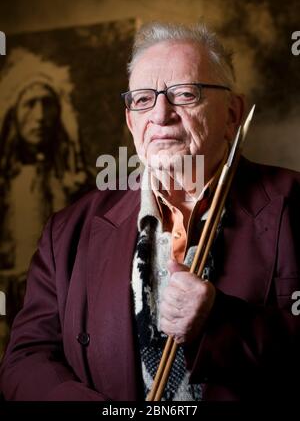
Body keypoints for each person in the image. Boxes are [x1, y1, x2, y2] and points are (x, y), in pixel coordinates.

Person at [0, 22, 299, 401]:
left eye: (185, 94)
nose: (161, 114)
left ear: (232, 113)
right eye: (142, 99)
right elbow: (26, 359)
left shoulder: (292, 205)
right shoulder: (67, 231)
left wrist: (222, 324)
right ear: (131, 121)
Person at [0, 49, 90, 272]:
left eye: (47, 104)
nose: (40, 116)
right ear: (14, 115)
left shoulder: (80, 182)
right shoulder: (3, 183)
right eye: (30, 104)